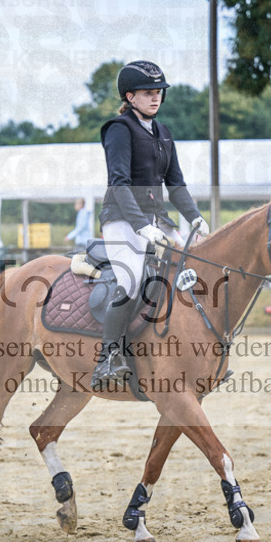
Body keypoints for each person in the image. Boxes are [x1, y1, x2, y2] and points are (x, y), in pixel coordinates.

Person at [92, 60, 210, 389]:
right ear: (130, 97)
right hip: (121, 219)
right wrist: (142, 226)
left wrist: (195, 217)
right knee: (131, 282)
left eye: (158, 92)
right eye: (148, 93)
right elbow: (119, 182)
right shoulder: (118, 130)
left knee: (194, 272)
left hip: (159, 221)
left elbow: (176, 184)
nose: (155, 98)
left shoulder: (164, 132)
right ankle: (108, 358)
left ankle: (197, 354)